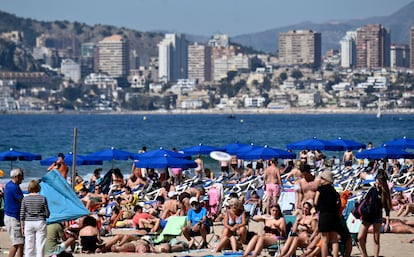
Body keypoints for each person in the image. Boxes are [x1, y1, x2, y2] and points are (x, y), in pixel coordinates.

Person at [357, 171, 392, 257]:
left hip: (377, 217)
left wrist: (387, 222)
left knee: (376, 239)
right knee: (360, 237)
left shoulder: (385, 192)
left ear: (383, 183)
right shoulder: (372, 189)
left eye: (379, 183)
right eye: (376, 182)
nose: (377, 184)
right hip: (368, 216)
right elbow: (364, 201)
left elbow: (387, 208)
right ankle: (365, 255)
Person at [20, 180, 50, 257]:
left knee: (29, 245)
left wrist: (22, 226)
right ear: (38, 187)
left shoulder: (25, 199)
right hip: (40, 221)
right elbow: (47, 213)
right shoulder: (43, 198)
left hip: (28, 222)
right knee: (40, 245)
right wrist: (42, 214)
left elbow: (22, 214)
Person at [315, 169, 340, 257]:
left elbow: (315, 202)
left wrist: (316, 209)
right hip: (334, 216)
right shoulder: (334, 191)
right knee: (334, 240)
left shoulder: (320, 189)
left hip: (324, 215)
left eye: (321, 178)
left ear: (325, 180)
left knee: (325, 240)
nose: (320, 180)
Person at [4, 168, 25, 257]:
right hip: (13, 217)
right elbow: (22, 200)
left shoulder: (9, 185)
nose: (22, 179)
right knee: (17, 243)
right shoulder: (13, 187)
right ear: (16, 177)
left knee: (20, 243)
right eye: (21, 177)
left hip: (12, 216)